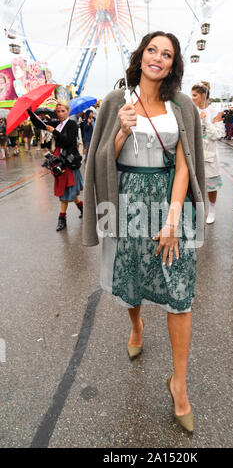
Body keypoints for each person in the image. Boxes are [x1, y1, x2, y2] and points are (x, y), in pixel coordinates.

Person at [83, 31, 206, 433]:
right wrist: (119, 131)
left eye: (166, 53)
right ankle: (136, 325)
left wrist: (173, 220)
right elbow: (101, 160)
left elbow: (186, 164)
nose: (158, 58)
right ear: (141, 56)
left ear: (173, 64)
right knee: (131, 281)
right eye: (152, 50)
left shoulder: (183, 105)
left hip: (171, 203)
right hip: (128, 204)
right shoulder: (114, 102)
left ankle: (180, 386)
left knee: (180, 292)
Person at [30, 101, 84, 231]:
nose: (60, 114)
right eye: (58, 111)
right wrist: (30, 112)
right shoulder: (57, 124)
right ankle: (83, 209)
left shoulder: (72, 124)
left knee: (65, 190)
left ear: (68, 111)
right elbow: (39, 124)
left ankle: (62, 218)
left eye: (63, 111)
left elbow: (70, 142)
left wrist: (55, 132)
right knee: (69, 191)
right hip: (59, 159)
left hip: (68, 161)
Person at [191, 82, 224, 224]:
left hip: (210, 155)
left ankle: (212, 209)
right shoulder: (192, 110)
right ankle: (197, 210)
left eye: (195, 95)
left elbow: (218, 134)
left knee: (211, 186)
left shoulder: (216, 112)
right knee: (194, 184)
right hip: (195, 154)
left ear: (203, 96)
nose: (192, 98)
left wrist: (206, 121)